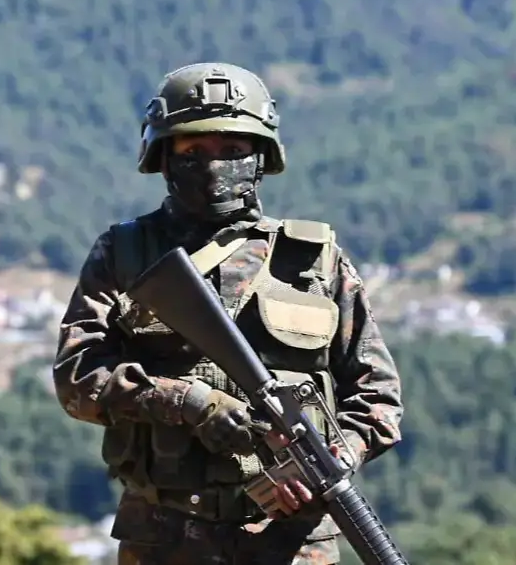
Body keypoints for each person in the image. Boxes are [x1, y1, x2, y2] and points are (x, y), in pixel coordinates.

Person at [53, 62, 403, 564]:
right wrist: (188, 402)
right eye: (193, 151)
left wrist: (330, 460)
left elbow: (378, 397)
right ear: (164, 156)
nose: (215, 165)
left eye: (234, 150)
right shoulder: (126, 254)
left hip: (292, 542)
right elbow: (77, 378)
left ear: (261, 157)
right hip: (165, 537)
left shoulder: (313, 260)